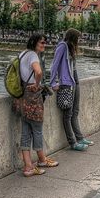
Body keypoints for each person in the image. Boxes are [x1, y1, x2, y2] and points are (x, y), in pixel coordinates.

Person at [19, 34, 55, 176]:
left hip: (23, 95)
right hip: (33, 95)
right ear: (34, 43)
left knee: (26, 130)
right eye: (41, 43)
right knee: (38, 128)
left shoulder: (22, 54)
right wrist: (37, 84)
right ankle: (41, 159)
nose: (44, 45)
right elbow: (38, 71)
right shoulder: (33, 55)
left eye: (45, 43)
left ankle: (28, 166)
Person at [50, 28, 91, 152]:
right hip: (66, 83)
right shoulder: (62, 47)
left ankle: (79, 138)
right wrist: (53, 82)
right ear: (72, 38)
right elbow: (54, 65)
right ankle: (72, 143)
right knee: (67, 115)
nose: (79, 41)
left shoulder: (71, 48)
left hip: (74, 80)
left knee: (75, 111)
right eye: (78, 38)